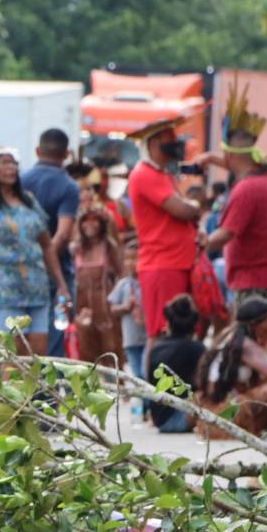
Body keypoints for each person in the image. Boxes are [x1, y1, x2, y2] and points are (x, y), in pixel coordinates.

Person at [199, 93, 267, 367]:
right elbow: (235, 161)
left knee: (262, 342)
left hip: (255, 280)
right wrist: (213, 159)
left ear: (230, 154)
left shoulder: (247, 189)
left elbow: (224, 235)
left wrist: (199, 242)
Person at [0, 148, 71, 355]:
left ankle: (33, 390)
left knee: (37, 355)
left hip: (37, 290)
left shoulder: (28, 201)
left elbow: (47, 245)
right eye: (4, 163)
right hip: (1, 293)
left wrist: (61, 284)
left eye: (13, 163)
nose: (10, 167)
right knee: (11, 357)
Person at [126, 117, 202, 375]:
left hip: (174, 263)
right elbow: (181, 209)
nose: (175, 144)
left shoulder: (162, 174)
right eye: (170, 140)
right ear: (155, 142)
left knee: (177, 334)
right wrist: (194, 207)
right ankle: (155, 404)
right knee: (159, 335)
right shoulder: (145, 174)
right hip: (162, 265)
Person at [197, 297, 267, 438]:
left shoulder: (228, 334)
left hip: (212, 415)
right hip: (222, 416)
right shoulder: (245, 344)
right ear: (254, 324)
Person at [20, 128, 80, 356]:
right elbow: (63, 234)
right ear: (66, 154)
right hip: (56, 273)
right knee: (53, 335)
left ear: (37, 150)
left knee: (22, 331)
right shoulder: (68, 186)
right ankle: (47, 390)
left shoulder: (20, 181)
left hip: (20, 270)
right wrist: (46, 261)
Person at [70, 205, 122, 367]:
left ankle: (117, 384)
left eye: (95, 220)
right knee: (86, 346)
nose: (90, 225)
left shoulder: (108, 245)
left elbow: (122, 272)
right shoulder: (76, 247)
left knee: (111, 345)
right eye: (86, 221)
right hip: (83, 302)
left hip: (104, 302)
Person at [146, 295, 206, 433]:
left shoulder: (156, 346)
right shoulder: (196, 348)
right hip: (178, 420)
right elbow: (206, 383)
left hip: (158, 420)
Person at [108, 242, 148, 377]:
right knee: (138, 375)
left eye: (134, 258)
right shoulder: (123, 284)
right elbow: (112, 309)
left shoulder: (148, 282)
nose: (130, 263)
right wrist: (125, 307)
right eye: (127, 259)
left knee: (147, 373)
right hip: (131, 339)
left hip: (149, 339)